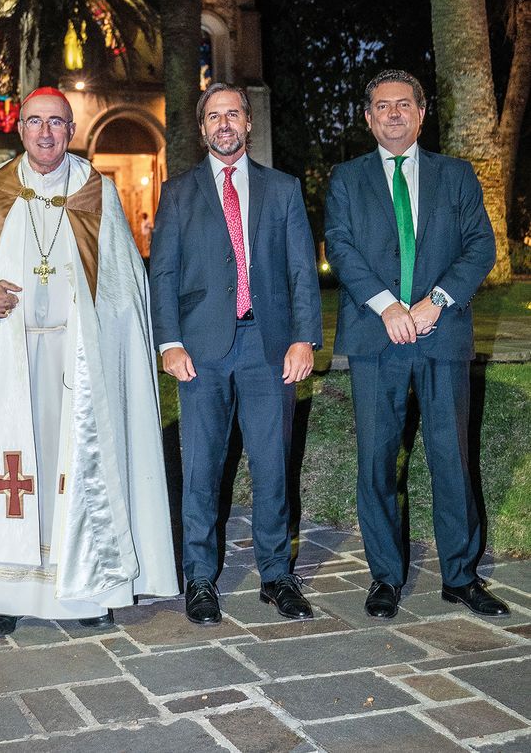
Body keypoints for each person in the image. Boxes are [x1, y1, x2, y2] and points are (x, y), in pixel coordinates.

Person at [0, 87, 177, 636]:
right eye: (35, 123)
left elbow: (123, 288)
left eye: (57, 124)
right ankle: (2, 594)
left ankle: (85, 590)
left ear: (72, 131)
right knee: (11, 472)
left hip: (77, 365)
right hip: (6, 361)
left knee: (76, 469)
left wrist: (94, 323)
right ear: (18, 130)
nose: (46, 133)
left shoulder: (96, 193)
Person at [324, 69, 509, 619]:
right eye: (383, 106)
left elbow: (481, 246)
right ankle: (385, 576)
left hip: (441, 334)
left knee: (451, 459)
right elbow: (341, 245)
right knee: (376, 462)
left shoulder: (456, 176)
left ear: (421, 113)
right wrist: (387, 306)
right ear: (368, 117)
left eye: (405, 105)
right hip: (376, 338)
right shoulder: (346, 179)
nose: (394, 114)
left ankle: (460, 575)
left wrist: (435, 302)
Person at [150, 82, 322, 626]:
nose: (224, 124)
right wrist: (169, 342)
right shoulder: (178, 193)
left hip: (268, 347)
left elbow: (301, 270)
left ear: (248, 123)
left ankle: (277, 575)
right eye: (213, 116)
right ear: (201, 129)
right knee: (201, 465)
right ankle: (200, 577)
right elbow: (165, 272)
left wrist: (303, 337)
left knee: (272, 464)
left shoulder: (282, 189)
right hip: (201, 351)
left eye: (233, 114)